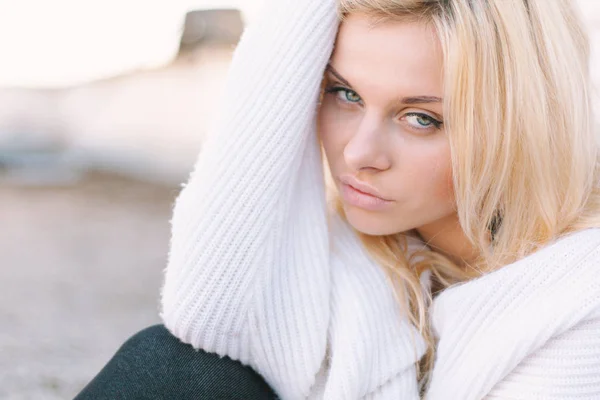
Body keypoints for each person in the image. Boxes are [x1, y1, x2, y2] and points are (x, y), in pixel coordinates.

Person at [77, 0, 600, 398]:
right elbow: (206, 315)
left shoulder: (577, 292)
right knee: (176, 365)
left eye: (421, 118)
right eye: (344, 93)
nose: (358, 152)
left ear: (519, 127)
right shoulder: (351, 255)